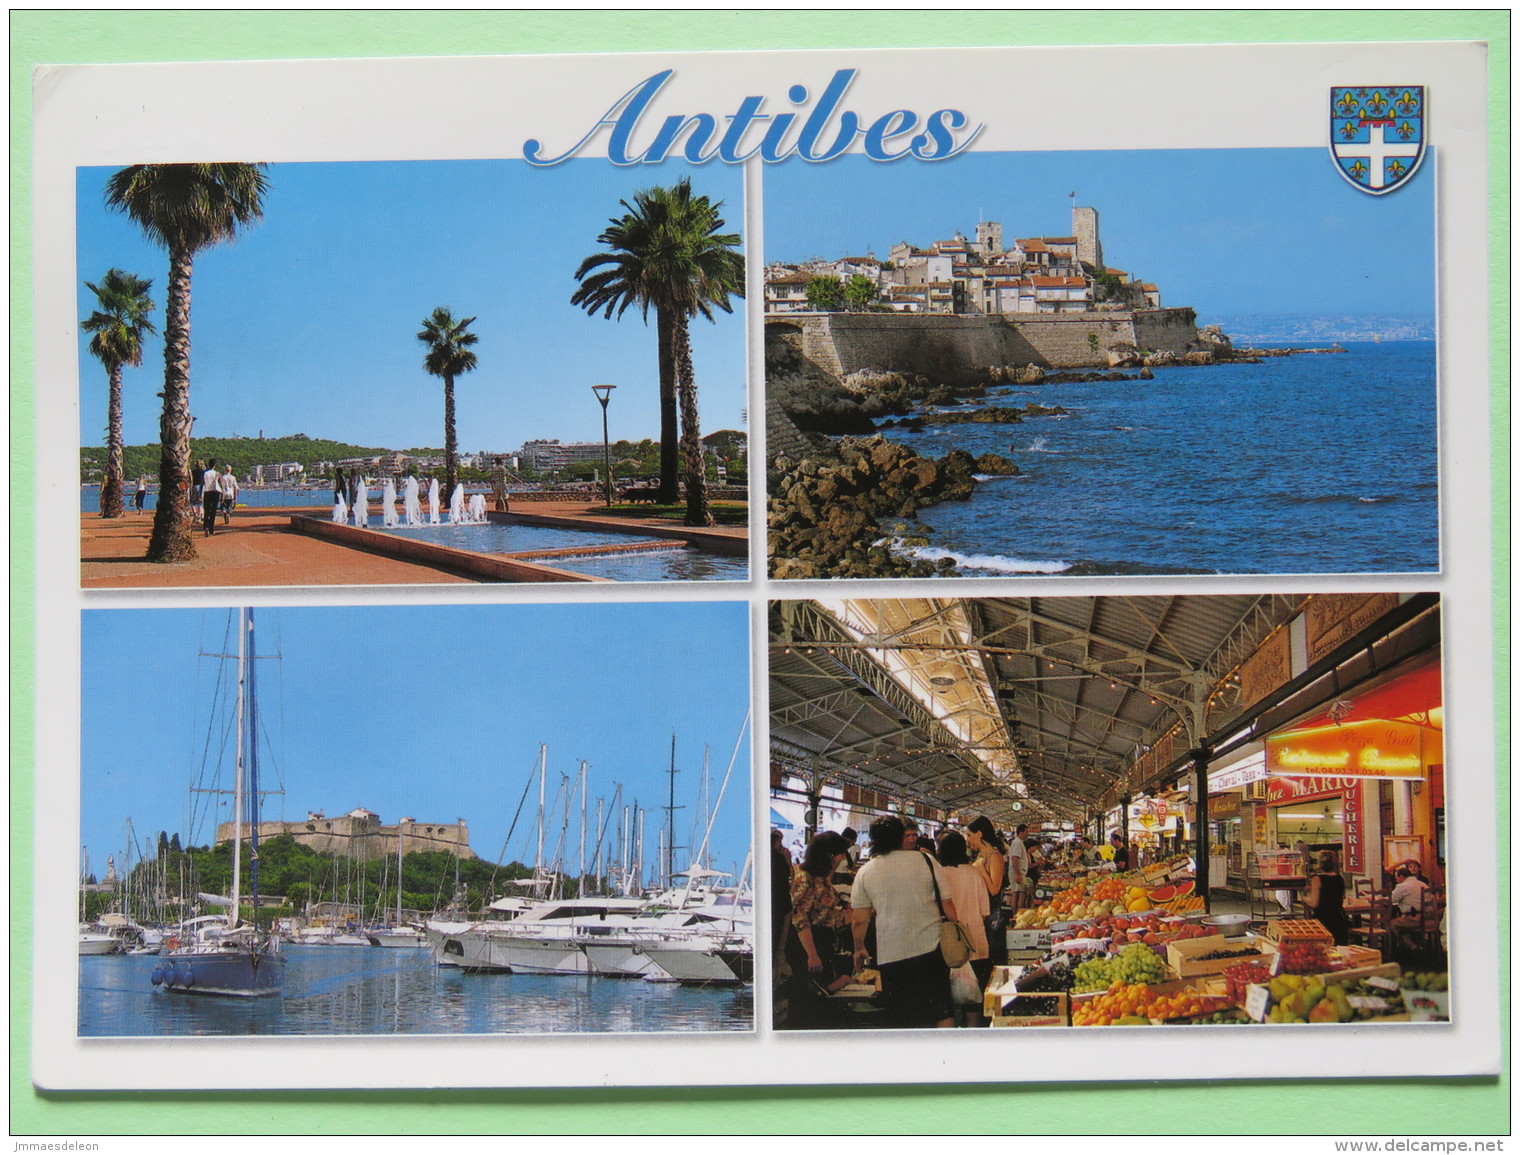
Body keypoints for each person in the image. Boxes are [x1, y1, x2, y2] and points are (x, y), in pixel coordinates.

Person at [849, 815, 957, 1029]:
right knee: (941, 1009)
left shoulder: (866, 871)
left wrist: (859, 948)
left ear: (874, 840)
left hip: (892, 953)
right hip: (931, 949)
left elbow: (860, 920)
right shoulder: (927, 861)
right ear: (900, 836)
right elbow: (948, 903)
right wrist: (956, 934)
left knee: (903, 1015)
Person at [789, 832, 852, 1011]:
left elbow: (829, 902)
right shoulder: (804, 878)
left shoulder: (822, 878)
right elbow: (800, 919)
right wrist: (812, 954)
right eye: (840, 854)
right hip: (809, 943)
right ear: (829, 855)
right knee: (809, 996)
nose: (842, 859)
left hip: (823, 939)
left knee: (820, 992)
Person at [936, 831, 991, 1025]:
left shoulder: (938, 874)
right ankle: (972, 1033)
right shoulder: (973, 873)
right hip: (974, 941)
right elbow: (985, 911)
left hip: (946, 946)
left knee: (949, 996)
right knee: (973, 997)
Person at [964, 815, 1008, 964]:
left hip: (993, 920)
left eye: (969, 835)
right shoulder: (982, 856)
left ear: (979, 834)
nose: (968, 839)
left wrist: (981, 870)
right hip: (983, 917)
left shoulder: (994, 857)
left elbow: (995, 889)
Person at [1303, 849, 1350, 945]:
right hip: (1338, 918)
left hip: (1323, 920)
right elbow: (1341, 896)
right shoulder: (1340, 878)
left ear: (1320, 864)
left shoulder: (1317, 879)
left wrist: (1304, 898)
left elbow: (1314, 903)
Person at [1006, 823, 1030, 911]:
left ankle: (1016, 915)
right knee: (1019, 894)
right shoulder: (1017, 843)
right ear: (1021, 832)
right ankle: (1016, 915)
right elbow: (1014, 858)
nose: (1028, 834)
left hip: (1018, 872)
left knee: (1017, 894)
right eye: (1026, 832)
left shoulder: (1017, 842)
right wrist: (1018, 874)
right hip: (1017, 873)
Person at [200, 462, 221, 536]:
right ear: (215, 466)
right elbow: (220, 484)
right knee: (213, 511)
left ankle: (206, 527)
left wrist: (200, 494)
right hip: (215, 492)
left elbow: (202, 484)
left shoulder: (205, 473)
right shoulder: (217, 473)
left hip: (207, 492)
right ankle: (211, 529)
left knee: (207, 510)